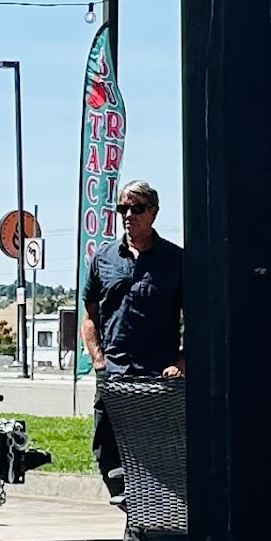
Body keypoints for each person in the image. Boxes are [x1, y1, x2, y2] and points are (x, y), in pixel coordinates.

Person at [79, 178, 183, 506]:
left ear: (153, 212)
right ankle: (126, 507)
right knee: (106, 445)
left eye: (136, 208)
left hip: (157, 373)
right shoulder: (104, 259)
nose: (128, 215)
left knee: (157, 448)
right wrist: (99, 360)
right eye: (123, 208)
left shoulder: (176, 260)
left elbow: (198, 320)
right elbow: (90, 316)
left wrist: (180, 363)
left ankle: (155, 512)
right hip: (114, 372)